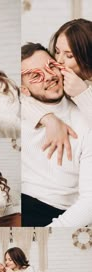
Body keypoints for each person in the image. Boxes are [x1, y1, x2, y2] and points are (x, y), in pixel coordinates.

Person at [21, 42, 92, 227]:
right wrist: (48, 118)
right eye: (35, 75)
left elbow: (89, 202)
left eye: (51, 66)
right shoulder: (17, 109)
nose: (49, 76)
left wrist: (52, 229)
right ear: (23, 89)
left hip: (52, 213)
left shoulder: (85, 122)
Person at [22, 19, 92, 165]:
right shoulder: (58, 79)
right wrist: (49, 119)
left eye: (69, 55)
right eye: (57, 51)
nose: (58, 61)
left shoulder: (79, 87)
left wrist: (83, 94)